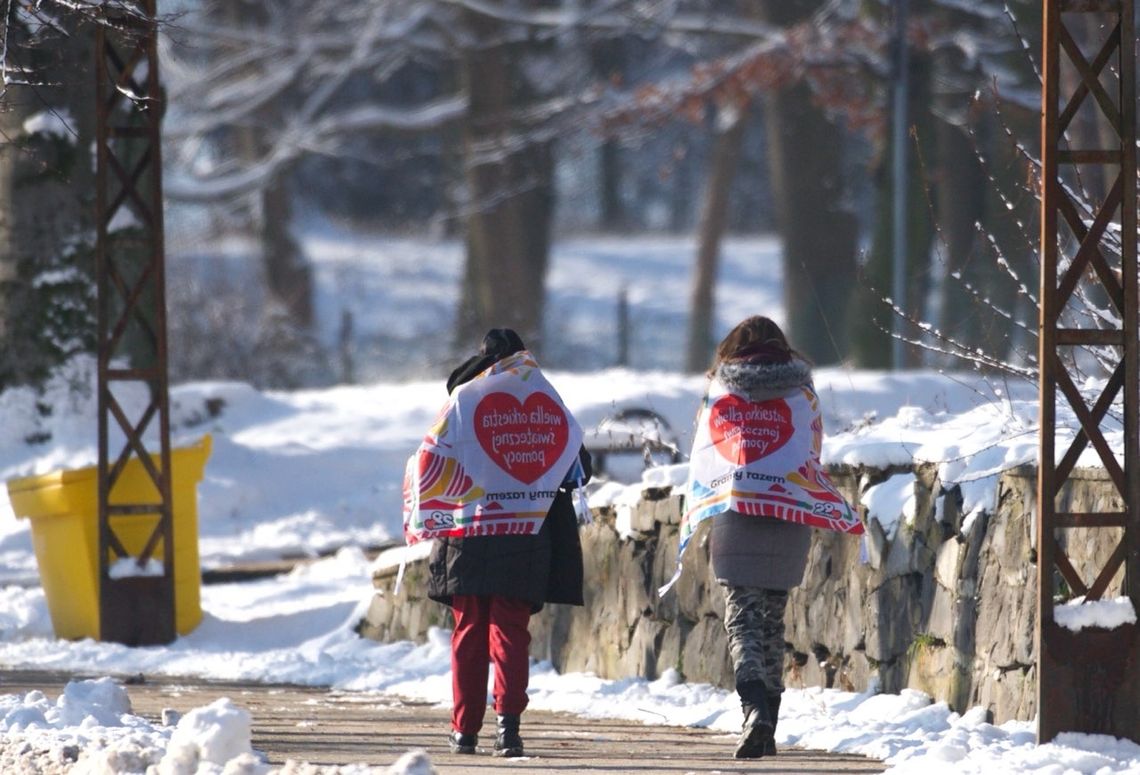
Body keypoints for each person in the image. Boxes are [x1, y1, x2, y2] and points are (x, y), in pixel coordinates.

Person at [672, 316, 862, 759]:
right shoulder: (803, 396)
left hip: (736, 512)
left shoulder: (720, 393)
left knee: (742, 618)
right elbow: (812, 452)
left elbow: (702, 455)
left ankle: (754, 708)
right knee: (773, 619)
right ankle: (768, 724)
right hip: (789, 513)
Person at [401, 328, 591, 759]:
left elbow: (429, 458)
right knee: (510, 632)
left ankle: (464, 730)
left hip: (465, 533)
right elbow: (578, 466)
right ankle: (509, 728)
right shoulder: (545, 399)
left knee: (468, 631)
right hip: (523, 535)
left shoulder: (462, 401)